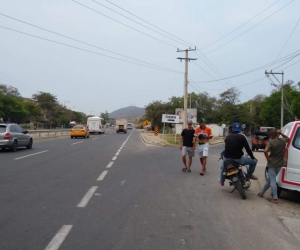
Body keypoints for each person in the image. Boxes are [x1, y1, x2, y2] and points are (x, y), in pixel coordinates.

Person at [219, 122, 258, 186]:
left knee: (224, 164)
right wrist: (252, 157)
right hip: (238, 159)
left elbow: (227, 147)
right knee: (254, 162)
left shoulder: (228, 136)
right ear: (240, 129)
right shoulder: (242, 137)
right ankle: (248, 176)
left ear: (233, 129)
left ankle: (221, 181)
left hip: (227, 158)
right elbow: (248, 149)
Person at [258, 129, 289, 204]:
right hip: (279, 164)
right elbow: (288, 138)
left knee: (272, 181)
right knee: (270, 179)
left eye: (270, 136)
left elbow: (265, 151)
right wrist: (281, 133)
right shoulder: (282, 141)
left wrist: (268, 159)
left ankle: (275, 198)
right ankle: (261, 193)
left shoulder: (271, 142)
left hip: (272, 164)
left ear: (272, 136)